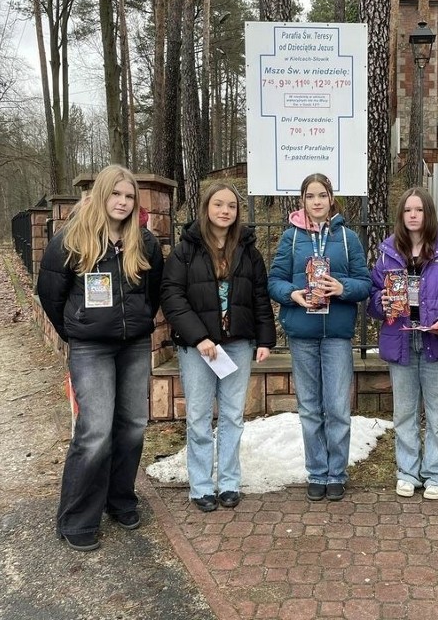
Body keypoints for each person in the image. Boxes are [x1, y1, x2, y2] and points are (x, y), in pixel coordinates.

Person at [37, 164, 164, 551]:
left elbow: (152, 293)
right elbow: (50, 295)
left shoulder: (145, 242)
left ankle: (119, 498)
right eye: (116, 194)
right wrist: (77, 330)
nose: (123, 202)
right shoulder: (71, 240)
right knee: (94, 433)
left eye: (129, 197)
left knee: (133, 426)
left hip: (134, 345)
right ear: (101, 196)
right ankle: (77, 516)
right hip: (91, 348)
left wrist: (139, 322)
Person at [161, 183, 276, 512]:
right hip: (198, 349)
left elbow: (259, 297)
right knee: (198, 418)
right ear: (206, 208)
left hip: (238, 344)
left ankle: (228, 482)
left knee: (231, 417)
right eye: (218, 204)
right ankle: (200, 486)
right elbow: (172, 297)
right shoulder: (186, 250)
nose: (225, 211)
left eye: (231, 206)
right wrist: (199, 337)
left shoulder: (248, 250)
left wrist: (265, 339)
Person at [267, 173, 371, 502]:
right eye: (310, 196)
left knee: (338, 408)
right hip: (303, 333)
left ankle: (337, 473)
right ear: (302, 201)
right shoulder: (291, 238)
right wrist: (291, 294)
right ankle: (317, 472)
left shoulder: (348, 238)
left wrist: (344, 288)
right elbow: (275, 280)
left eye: (322, 195)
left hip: (337, 334)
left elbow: (365, 282)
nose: (316, 201)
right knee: (310, 408)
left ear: (331, 199)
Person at [368, 187, 438, 500]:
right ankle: (407, 472)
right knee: (405, 413)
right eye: (407, 210)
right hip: (402, 340)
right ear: (401, 215)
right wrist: (381, 303)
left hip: (436, 340)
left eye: (419, 210)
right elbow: (372, 298)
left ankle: (437, 473)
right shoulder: (387, 253)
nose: (413, 215)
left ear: (429, 213)